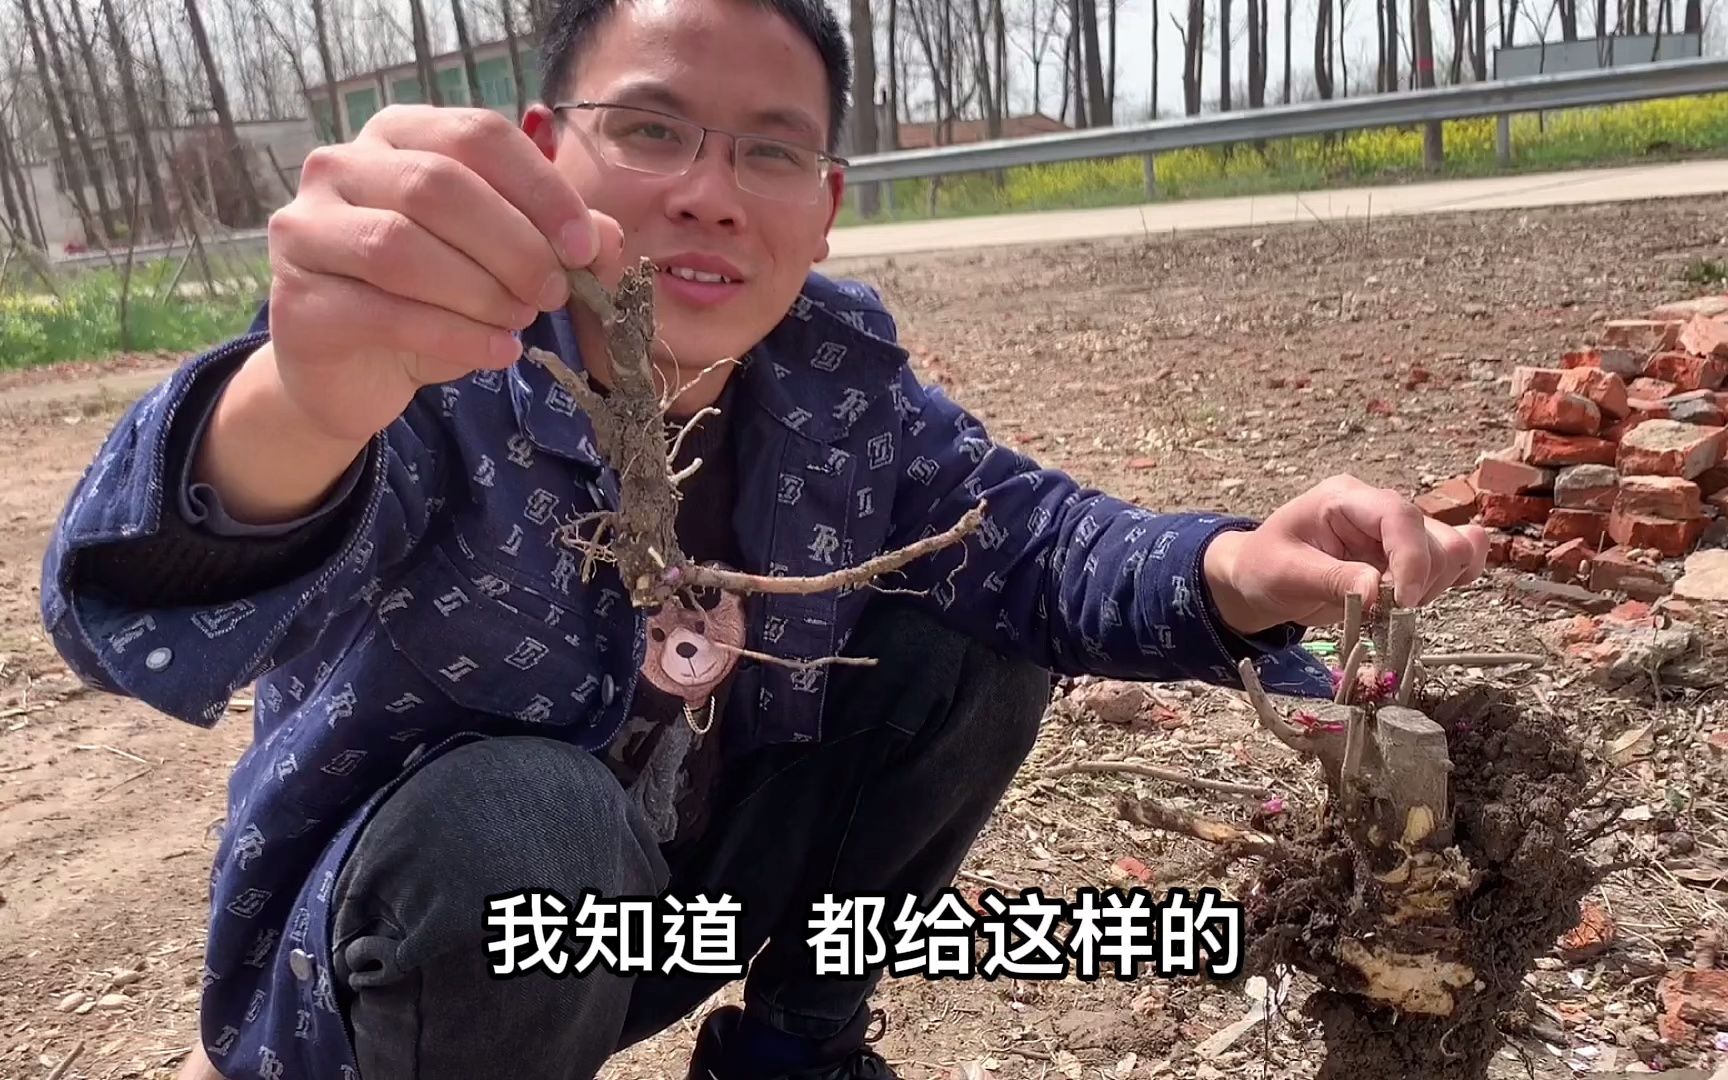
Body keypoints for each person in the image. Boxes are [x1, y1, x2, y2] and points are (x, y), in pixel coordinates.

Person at [38, 0, 1489, 1076]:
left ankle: (798, 1044)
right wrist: (296, 399)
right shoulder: (441, 368)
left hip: (688, 920)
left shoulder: (834, 382)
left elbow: (1033, 540)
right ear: (544, 151)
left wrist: (1235, 568)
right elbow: (127, 608)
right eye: (652, 128)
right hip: (429, 966)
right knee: (519, 819)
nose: (709, 190)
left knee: (968, 619)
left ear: (828, 205)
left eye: (772, 152)